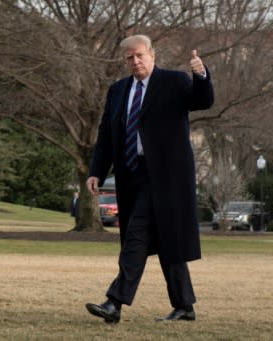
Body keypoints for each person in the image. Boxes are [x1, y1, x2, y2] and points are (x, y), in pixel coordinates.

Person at [85, 34, 214, 323]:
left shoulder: (175, 82)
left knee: (136, 236)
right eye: (129, 57)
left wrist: (201, 75)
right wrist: (96, 171)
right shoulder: (118, 90)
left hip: (167, 178)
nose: (135, 61)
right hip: (132, 175)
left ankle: (114, 302)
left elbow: (202, 101)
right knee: (168, 240)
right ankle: (185, 306)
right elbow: (107, 136)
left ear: (152, 55)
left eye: (140, 55)